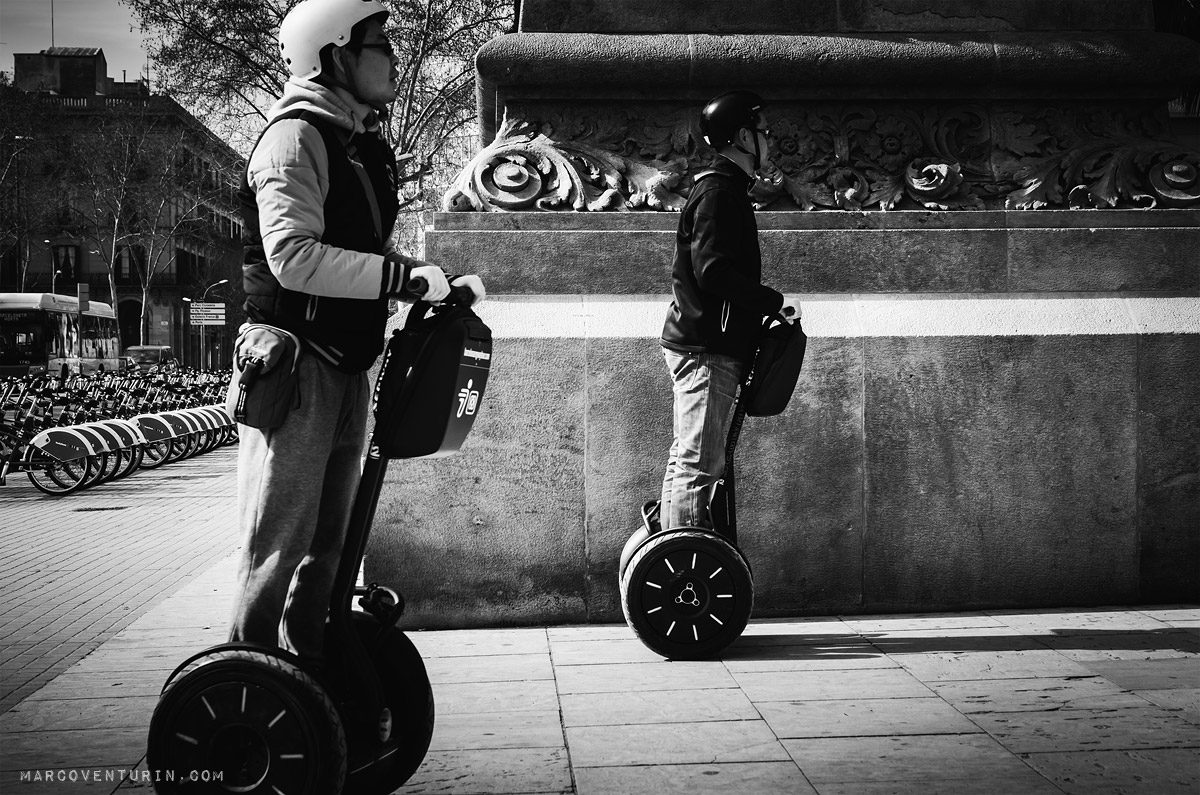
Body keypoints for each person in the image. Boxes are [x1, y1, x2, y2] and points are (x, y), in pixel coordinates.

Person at [228, 0, 485, 665]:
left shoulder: (358, 140)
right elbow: (293, 255)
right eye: (380, 43)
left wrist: (427, 284)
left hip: (350, 359)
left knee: (332, 543)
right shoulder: (296, 138)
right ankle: (247, 679)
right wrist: (400, 278)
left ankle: (312, 673)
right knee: (281, 540)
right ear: (336, 54)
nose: (394, 56)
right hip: (298, 364)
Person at [659, 90, 801, 534]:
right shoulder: (718, 193)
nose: (770, 141)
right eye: (764, 132)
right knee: (697, 467)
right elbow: (714, 273)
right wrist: (773, 301)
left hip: (709, 343)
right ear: (743, 136)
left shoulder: (727, 191)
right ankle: (686, 573)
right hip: (707, 347)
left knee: (691, 461)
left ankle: (677, 553)